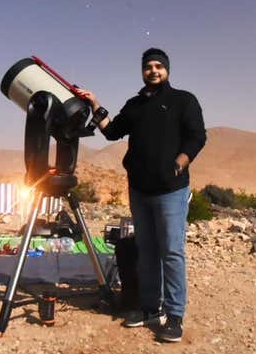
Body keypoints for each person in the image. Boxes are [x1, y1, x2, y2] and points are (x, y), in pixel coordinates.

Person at [74, 48, 206, 343]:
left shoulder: (183, 100)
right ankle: (150, 308)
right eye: (149, 67)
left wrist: (181, 161)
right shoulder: (135, 105)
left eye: (159, 66)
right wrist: (94, 103)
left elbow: (198, 135)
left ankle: (174, 315)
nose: (154, 71)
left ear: (167, 70)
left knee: (171, 252)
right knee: (146, 251)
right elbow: (111, 132)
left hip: (171, 190)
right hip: (139, 190)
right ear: (143, 71)